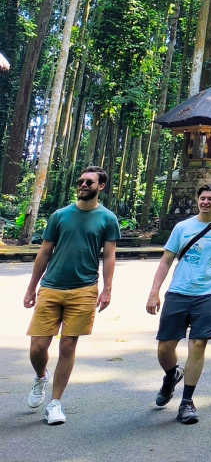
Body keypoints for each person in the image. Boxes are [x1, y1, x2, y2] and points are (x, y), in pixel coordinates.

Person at [23, 166, 120, 425]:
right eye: (81, 181)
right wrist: (32, 287)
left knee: (68, 345)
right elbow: (44, 252)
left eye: (89, 182)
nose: (83, 185)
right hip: (52, 286)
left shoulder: (108, 219)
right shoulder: (60, 216)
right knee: (38, 346)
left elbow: (109, 255)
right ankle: (41, 377)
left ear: (101, 186)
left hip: (84, 289)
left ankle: (55, 403)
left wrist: (108, 288)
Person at [146, 184, 211, 425]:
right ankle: (171, 375)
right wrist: (154, 291)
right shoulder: (182, 227)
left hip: (208, 294)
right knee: (165, 347)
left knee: (198, 344)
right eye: (202, 198)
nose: (205, 202)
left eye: (210, 199)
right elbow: (166, 260)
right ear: (197, 200)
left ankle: (187, 402)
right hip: (178, 292)